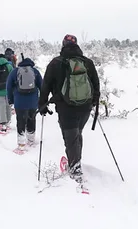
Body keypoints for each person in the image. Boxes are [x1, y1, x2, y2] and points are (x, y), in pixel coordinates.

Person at [38, 34, 100, 183]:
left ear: (63, 45)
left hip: (65, 108)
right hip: (85, 107)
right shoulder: (87, 63)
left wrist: (42, 104)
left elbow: (45, 86)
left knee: (71, 138)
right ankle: (75, 161)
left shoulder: (55, 63)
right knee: (77, 134)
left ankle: (75, 169)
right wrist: (93, 102)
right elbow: (96, 85)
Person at [6, 54, 43, 150]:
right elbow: (42, 86)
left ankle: (21, 144)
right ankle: (31, 140)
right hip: (33, 102)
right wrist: (42, 100)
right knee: (32, 120)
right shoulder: (35, 71)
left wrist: (10, 100)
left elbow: (9, 86)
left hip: (19, 102)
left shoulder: (15, 72)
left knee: (21, 121)